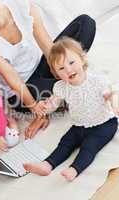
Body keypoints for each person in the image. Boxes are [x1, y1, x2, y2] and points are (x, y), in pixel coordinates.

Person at [0, 0, 96, 138]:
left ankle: (67, 84)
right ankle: (68, 87)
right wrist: (35, 108)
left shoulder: (19, 4)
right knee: (68, 91)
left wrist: (59, 69)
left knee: (85, 23)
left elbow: (45, 42)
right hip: (22, 90)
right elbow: (10, 75)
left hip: (40, 64)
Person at [23, 37, 119, 181]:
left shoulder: (96, 80)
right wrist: (45, 106)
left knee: (89, 146)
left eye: (71, 62)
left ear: (82, 59)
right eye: (61, 68)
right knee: (65, 142)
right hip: (79, 124)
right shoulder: (61, 87)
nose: (68, 69)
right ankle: (47, 165)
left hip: (104, 124)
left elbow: (109, 94)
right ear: (56, 73)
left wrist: (114, 103)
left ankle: (74, 169)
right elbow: (54, 104)